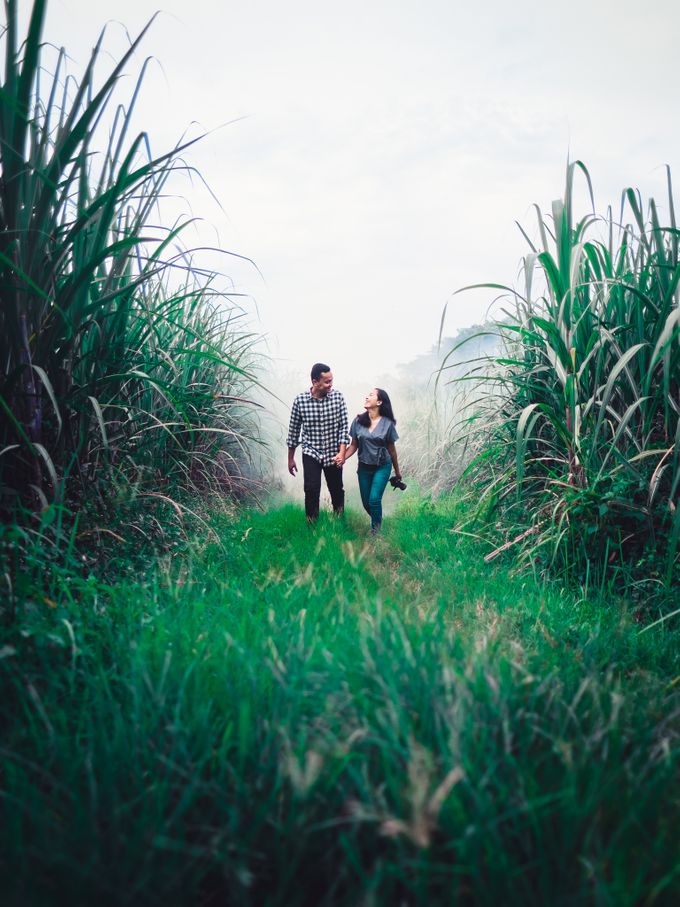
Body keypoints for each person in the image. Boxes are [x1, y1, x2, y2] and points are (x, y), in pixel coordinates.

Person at [286, 363, 350, 522]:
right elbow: (293, 432)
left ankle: (339, 520)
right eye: (327, 381)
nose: (331, 384)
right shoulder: (300, 401)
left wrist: (342, 453)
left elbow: (343, 428)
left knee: (336, 489)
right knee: (311, 489)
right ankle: (312, 525)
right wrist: (290, 458)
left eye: (331, 380)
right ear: (315, 382)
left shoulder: (338, 397)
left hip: (333, 453)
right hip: (311, 452)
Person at [339, 387, 402, 535]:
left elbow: (392, 450)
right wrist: (342, 457)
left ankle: (376, 533)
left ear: (379, 402)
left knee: (374, 500)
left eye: (371, 395)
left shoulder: (387, 424)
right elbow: (354, 445)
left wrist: (397, 472)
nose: (367, 397)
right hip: (364, 468)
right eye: (367, 395)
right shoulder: (358, 421)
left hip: (382, 466)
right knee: (367, 503)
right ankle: (378, 519)